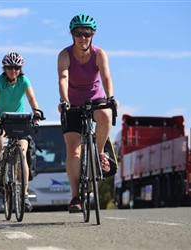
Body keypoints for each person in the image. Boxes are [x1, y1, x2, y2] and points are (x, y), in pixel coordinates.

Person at [57, 14, 116, 213]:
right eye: (79, 34)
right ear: (72, 35)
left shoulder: (99, 54)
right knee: (74, 150)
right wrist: (64, 100)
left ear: (93, 35)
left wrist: (111, 97)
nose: (83, 37)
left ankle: (100, 153)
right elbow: (63, 78)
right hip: (72, 103)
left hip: (96, 99)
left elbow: (106, 76)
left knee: (106, 115)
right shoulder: (64, 54)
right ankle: (75, 196)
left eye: (87, 34)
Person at [0, 51, 41, 212]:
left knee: (23, 154)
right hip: (1, 119)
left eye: (17, 67)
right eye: (10, 67)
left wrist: (36, 112)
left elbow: (32, 99)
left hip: (20, 120)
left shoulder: (24, 80)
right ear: (4, 68)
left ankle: (23, 195)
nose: (13, 70)